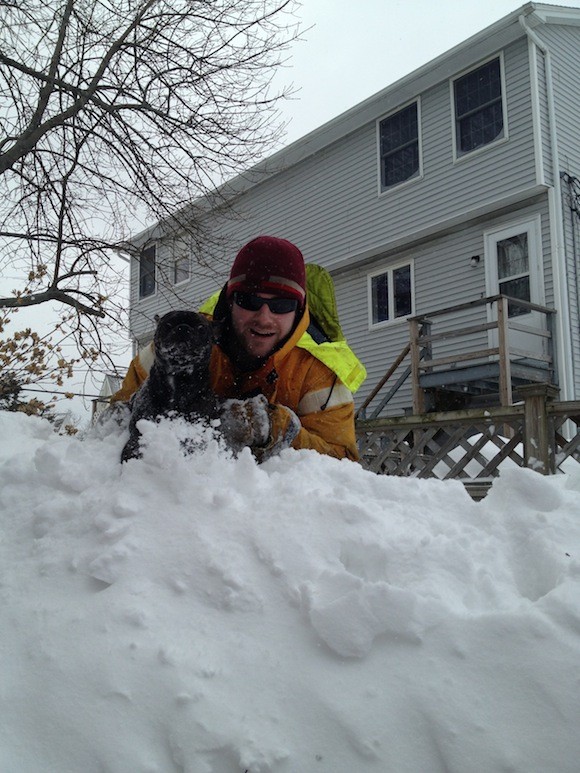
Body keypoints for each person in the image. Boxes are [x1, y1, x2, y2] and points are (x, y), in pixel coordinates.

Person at [111, 235, 366, 461]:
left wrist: (279, 429)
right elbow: (112, 429)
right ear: (231, 301)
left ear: (299, 311)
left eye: (282, 305)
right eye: (249, 300)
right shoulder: (181, 341)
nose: (264, 318)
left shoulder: (318, 371)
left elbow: (343, 463)